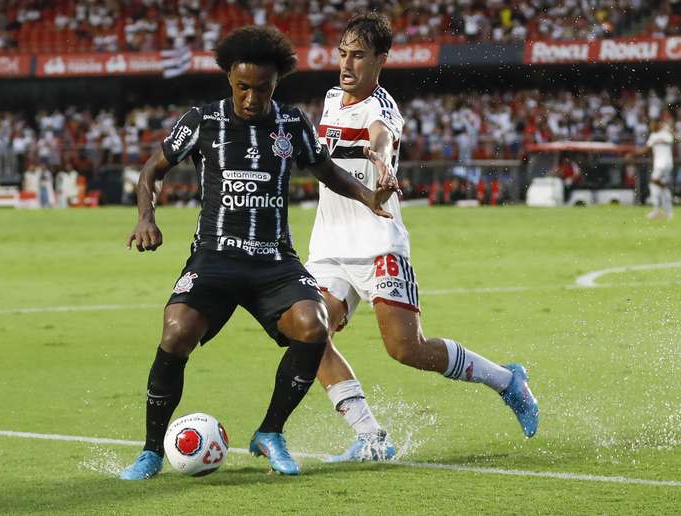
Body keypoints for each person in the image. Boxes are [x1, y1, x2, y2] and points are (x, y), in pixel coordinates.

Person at [119, 25, 395, 480]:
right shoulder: (202, 120)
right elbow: (152, 170)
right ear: (229, 77)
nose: (251, 97)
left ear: (276, 83)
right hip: (215, 258)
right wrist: (146, 217)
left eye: (262, 88)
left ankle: (271, 433)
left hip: (274, 261)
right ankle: (150, 451)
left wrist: (368, 197)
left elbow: (325, 170)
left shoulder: (291, 124)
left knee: (314, 326)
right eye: (243, 87)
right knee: (176, 332)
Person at [306, 12, 540, 463]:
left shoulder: (383, 108)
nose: (347, 64)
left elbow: (381, 139)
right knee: (309, 336)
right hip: (328, 248)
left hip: (377, 246)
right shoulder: (332, 98)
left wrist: (382, 164)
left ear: (381, 60)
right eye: (343, 54)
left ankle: (507, 381)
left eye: (358, 56)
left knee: (406, 349)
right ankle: (372, 438)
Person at [629, 120, 674, 220]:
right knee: (661, 187)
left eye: (652, 124)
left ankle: (656, 210)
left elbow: (672, 140)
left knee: (653, 183)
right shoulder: (653, 136)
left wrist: (665, 136)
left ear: (658, 124)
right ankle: (668, 212)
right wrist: (633, 153)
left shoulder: (665, 133)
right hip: (659, 164)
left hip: (664, 164)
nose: (651, 126)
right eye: (650, 125)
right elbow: (645, 149)